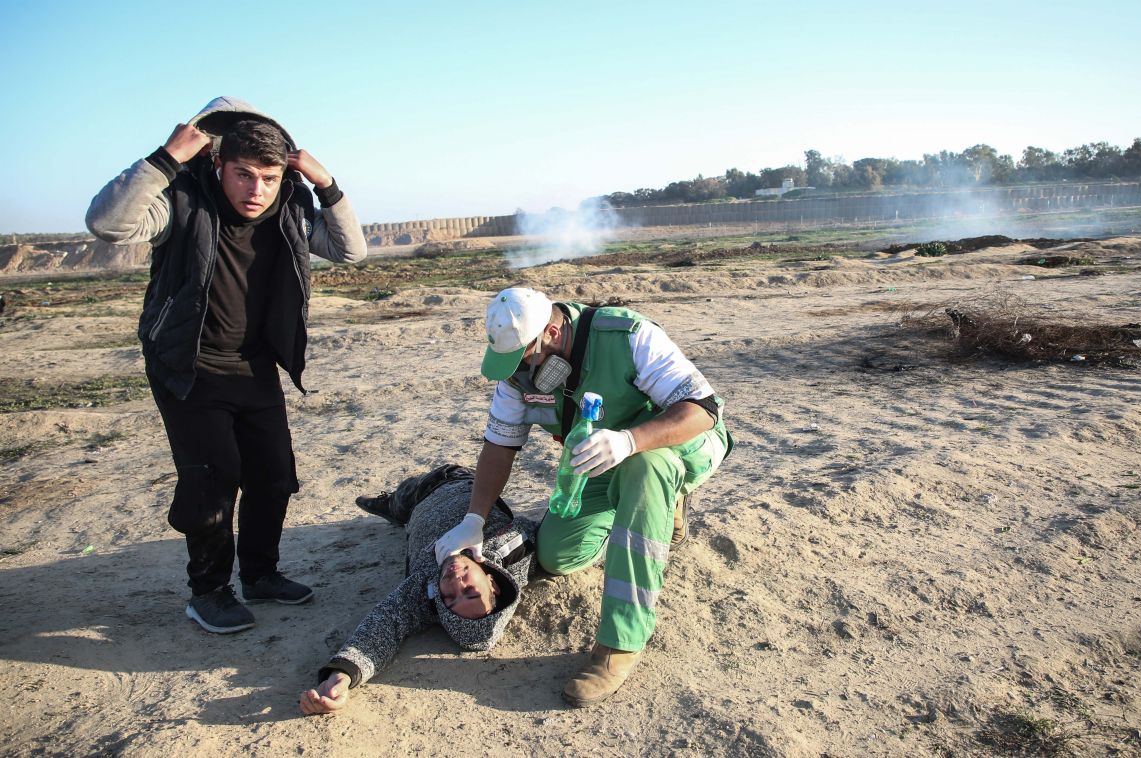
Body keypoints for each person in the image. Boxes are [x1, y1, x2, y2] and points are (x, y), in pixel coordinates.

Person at [85, 97, 367, 634]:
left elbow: (350, 252)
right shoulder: (183, 201)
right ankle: (208, 591)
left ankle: (260, 575)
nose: (255, 190)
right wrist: (166, 158)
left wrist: (327, 184)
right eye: (243, 175)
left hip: (255, 366)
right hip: (188, 365)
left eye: (268, 176)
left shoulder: (288, 206)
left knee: (274, 475)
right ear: (219, 165)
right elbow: (106, 224)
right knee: (213, 479)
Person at [434, 288, 734, 707]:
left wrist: (631, 440)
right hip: (600, 454)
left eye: (523, 358)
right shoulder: (517, 375)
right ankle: (651, 505)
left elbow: (702, 410)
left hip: (677, 441)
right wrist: (475, 519)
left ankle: (620, 644)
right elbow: (499, 445)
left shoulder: (628, 336)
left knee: (646, 470)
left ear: (551, 333)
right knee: (559, 555)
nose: (518, 371)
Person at [300, 465, 537, 715]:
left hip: (421, 494)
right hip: (466, 480)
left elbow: (386, 623)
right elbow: (534, 529)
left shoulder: (425, 587)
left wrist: (344, 674)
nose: (455, 582)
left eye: (449, 597)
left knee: (398, 502)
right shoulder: (511, 552)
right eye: (471, 592)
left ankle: (390, 505)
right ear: (493, 584)